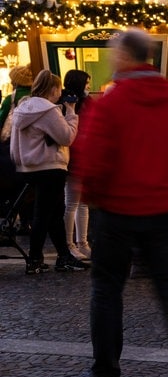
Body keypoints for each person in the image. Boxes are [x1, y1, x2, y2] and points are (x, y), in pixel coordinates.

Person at [70, 28, 168, 377]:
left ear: (125, 56)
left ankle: (105, 371)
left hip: (117, 211)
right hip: (161, 208)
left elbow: (94, 158)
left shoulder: (110, 102)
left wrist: (95, 196)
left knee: (107, 288)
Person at [7, 68, 85, 275]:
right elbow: (66, 137)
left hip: (28, 168)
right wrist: (71, 113)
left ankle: (63, 257)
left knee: (53, 214)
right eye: (58, 89)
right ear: (53, 89)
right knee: (44, 215)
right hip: (50, 167)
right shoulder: (48, 110)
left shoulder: (23, 108)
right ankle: (35, 259)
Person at [62, 69, 93, 261]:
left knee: (81, 203)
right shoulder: (68, 104)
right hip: (73, 157)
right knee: (73, 202)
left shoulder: (68, 101)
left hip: (81, 156)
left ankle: (82, 243)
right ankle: (71, 244)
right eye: (87, 83)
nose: (89, 87)